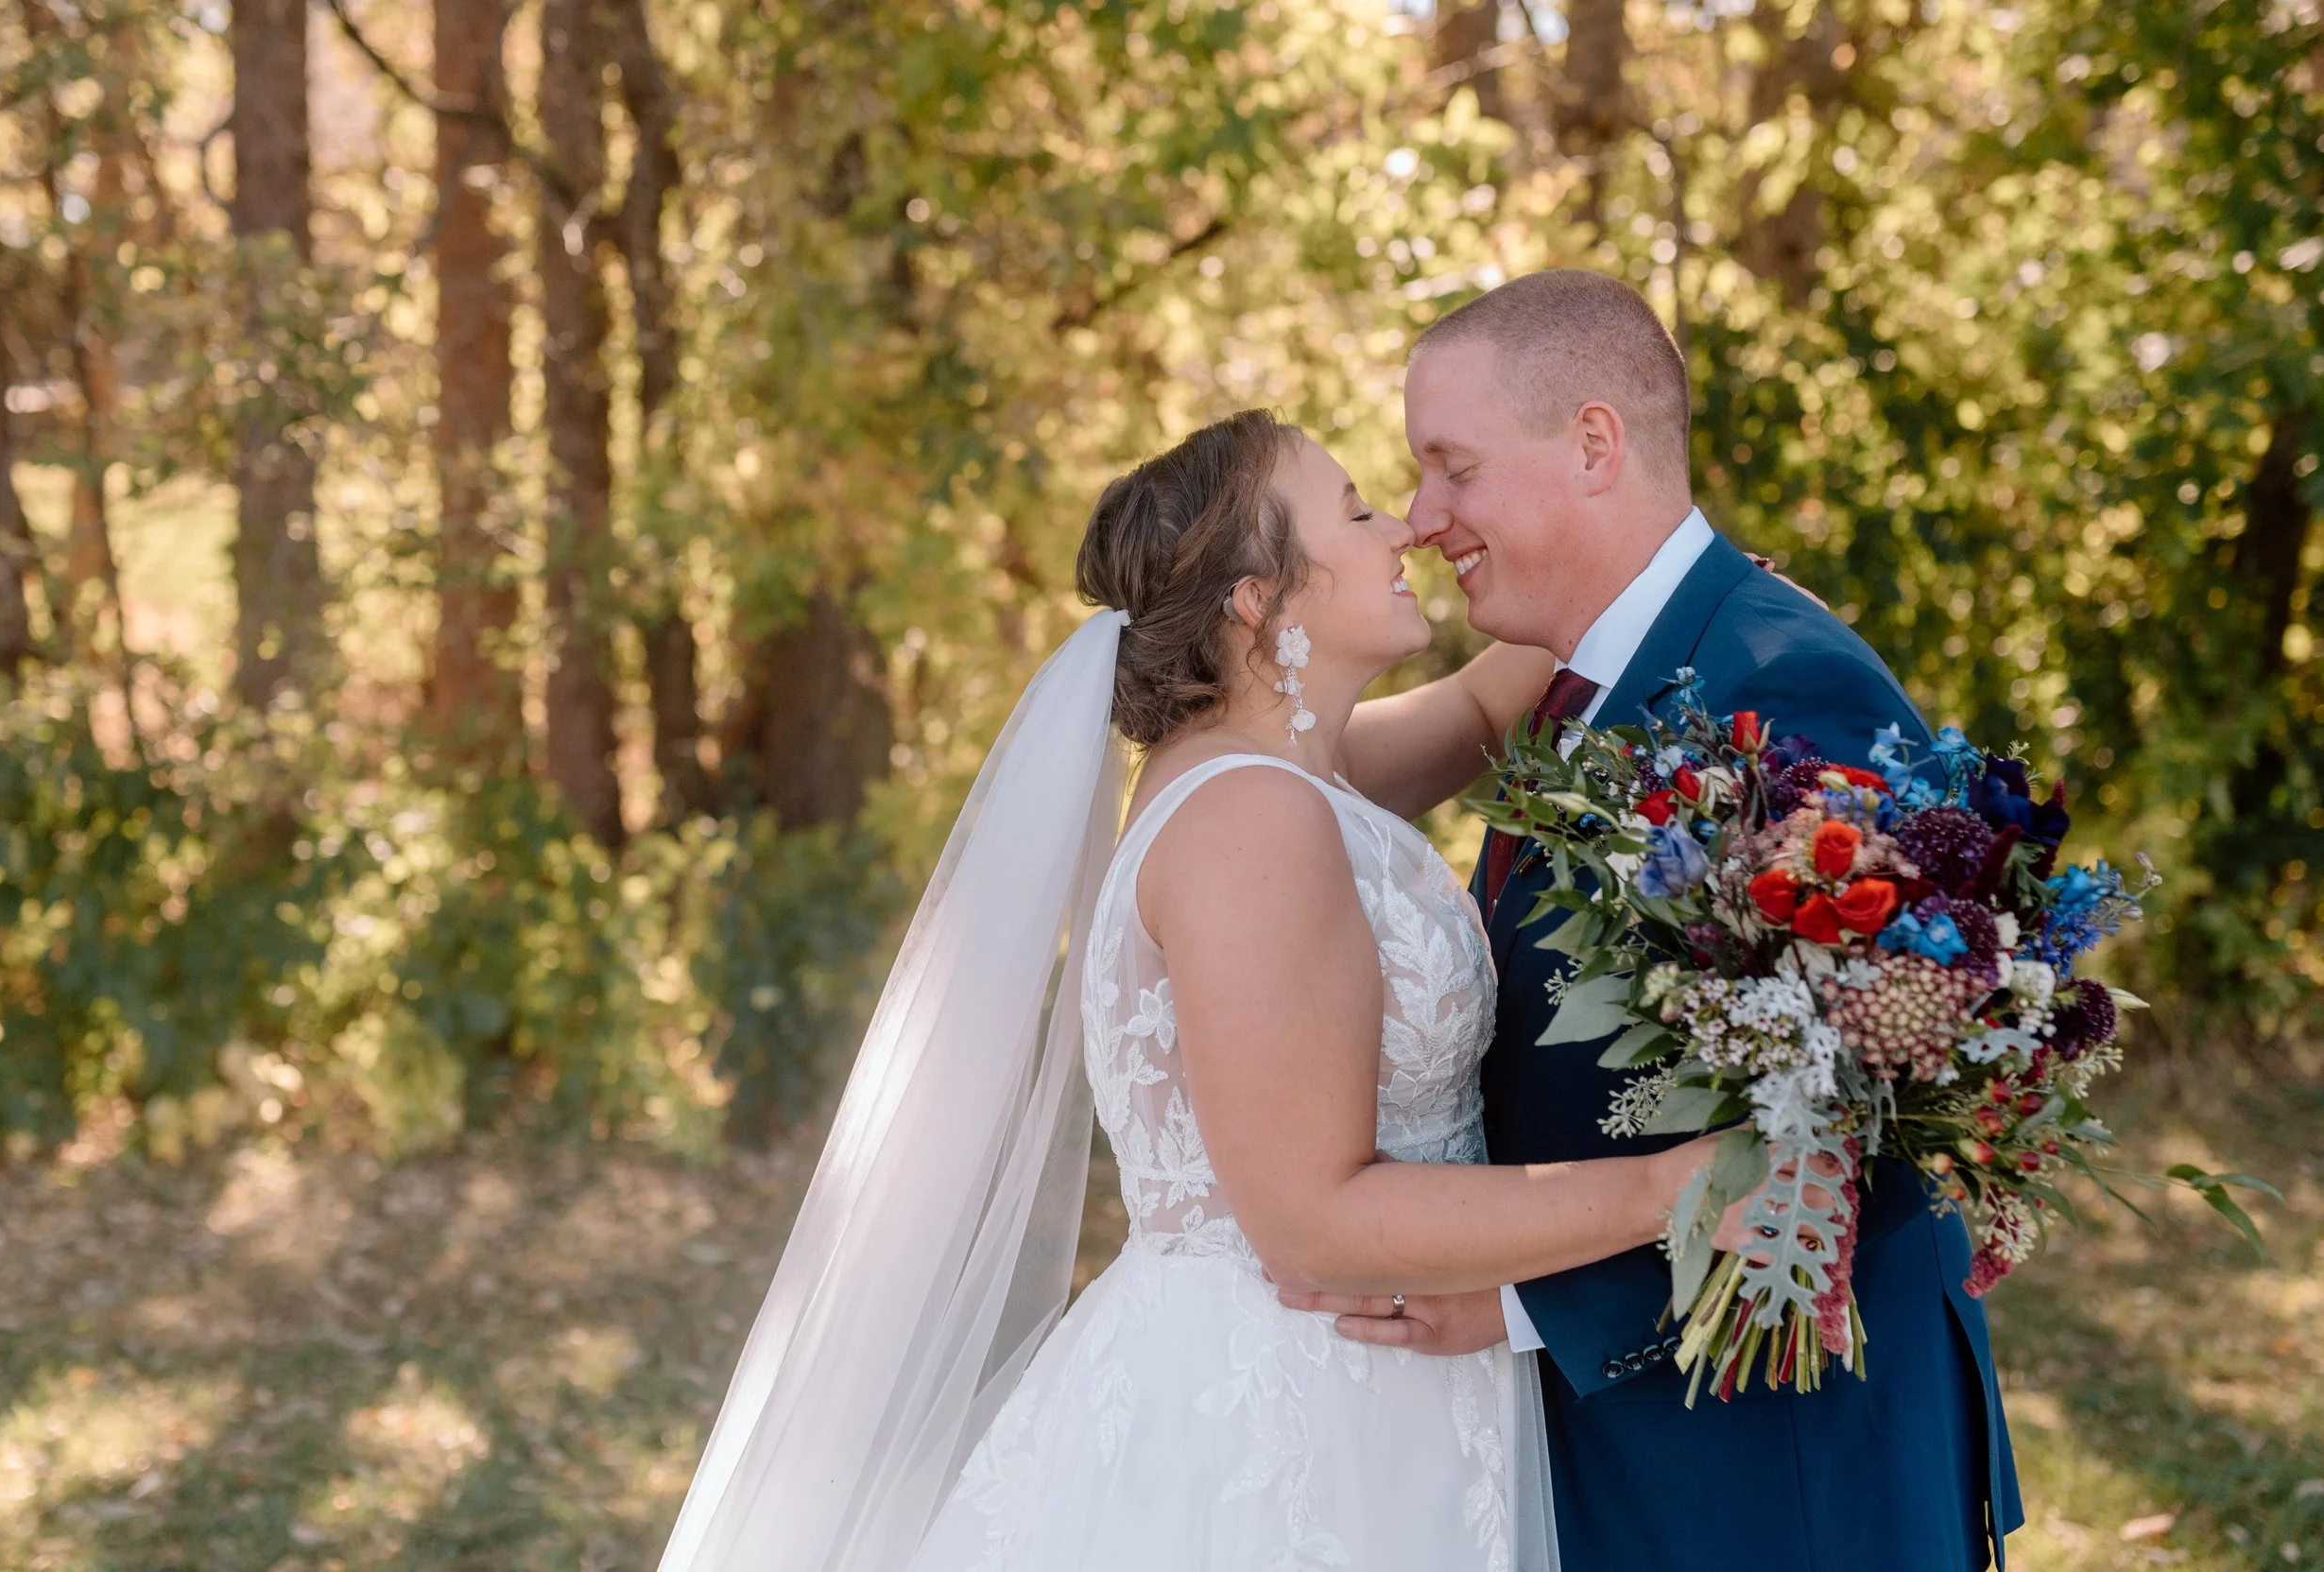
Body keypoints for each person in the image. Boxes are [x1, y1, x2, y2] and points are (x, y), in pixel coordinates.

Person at [653, 406, 1752, 1572]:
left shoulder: (1273, 777)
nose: (1405, 531)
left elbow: (1486, 708)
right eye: (1356, 509)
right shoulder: (1250, 821)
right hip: (1287, 1422)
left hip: (1373, 1378)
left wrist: (1672, 581)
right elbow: (1312, 1219)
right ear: (1256, 598)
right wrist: (1673, 1186)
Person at [1283, 268, 2023, 1571]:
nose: (1421, 516)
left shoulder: (1788, 690)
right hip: (1655, 1451)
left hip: (1784, 1470)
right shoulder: (1588, 675)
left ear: (1592, 444)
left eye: (1452, 466)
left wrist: (1525, 1298)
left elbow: (1881, 1143)